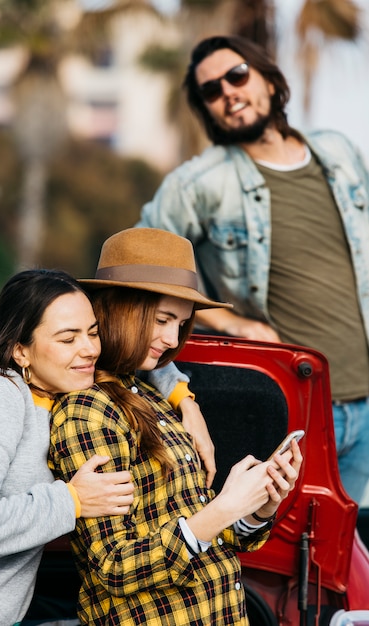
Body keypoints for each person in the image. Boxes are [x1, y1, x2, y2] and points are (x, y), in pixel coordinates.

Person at [136, 35, 369, 505]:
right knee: (275, 559)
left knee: (346, 561)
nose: (228, 92)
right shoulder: (199, 182)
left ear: (267, 78)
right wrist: (228, 321)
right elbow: (139, 270)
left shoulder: (338, 153)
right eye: (211, 90)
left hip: (364, 401)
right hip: (287, 403)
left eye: (237, 75)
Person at [49, 227, 302, 626]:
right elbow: (113, 567)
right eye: (162, 319)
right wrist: (223, 507)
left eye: (181, 324)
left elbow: (203, 531)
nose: (171, 339)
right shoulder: (88, 411)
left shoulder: (151, 395)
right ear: (119, 309)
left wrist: (258, 508)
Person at [0, 269, 135, 626]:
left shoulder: (59, 393)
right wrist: (72, 501)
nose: (90, 349)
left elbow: (145, 351)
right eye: (68, 339)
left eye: (93, 332)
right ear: (20, 350)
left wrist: (182, 396)